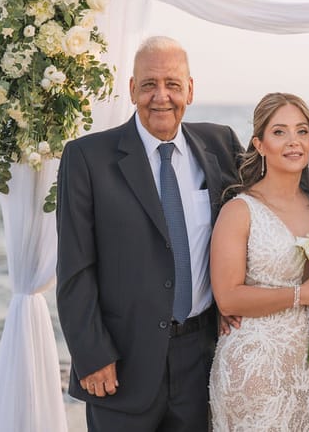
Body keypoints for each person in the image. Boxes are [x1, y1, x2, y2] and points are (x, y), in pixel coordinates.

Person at [56, 36, 243, 431]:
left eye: (172, 84)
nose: (161, 97)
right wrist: (92, 354)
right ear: (131, 90)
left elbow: (258, 217)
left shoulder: (222, 144)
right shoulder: (87, 157)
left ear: (190, 89)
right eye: (148, 84)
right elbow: (75, 268)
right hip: (121, 363)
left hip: (202, 358)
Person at [209, 92, 309, 430]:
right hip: (255, 367)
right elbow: (228, 297)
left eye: (302, 131)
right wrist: (301, 295)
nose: (293, 141)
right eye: (279, 132)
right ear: (260, 144)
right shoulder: (240, 210)